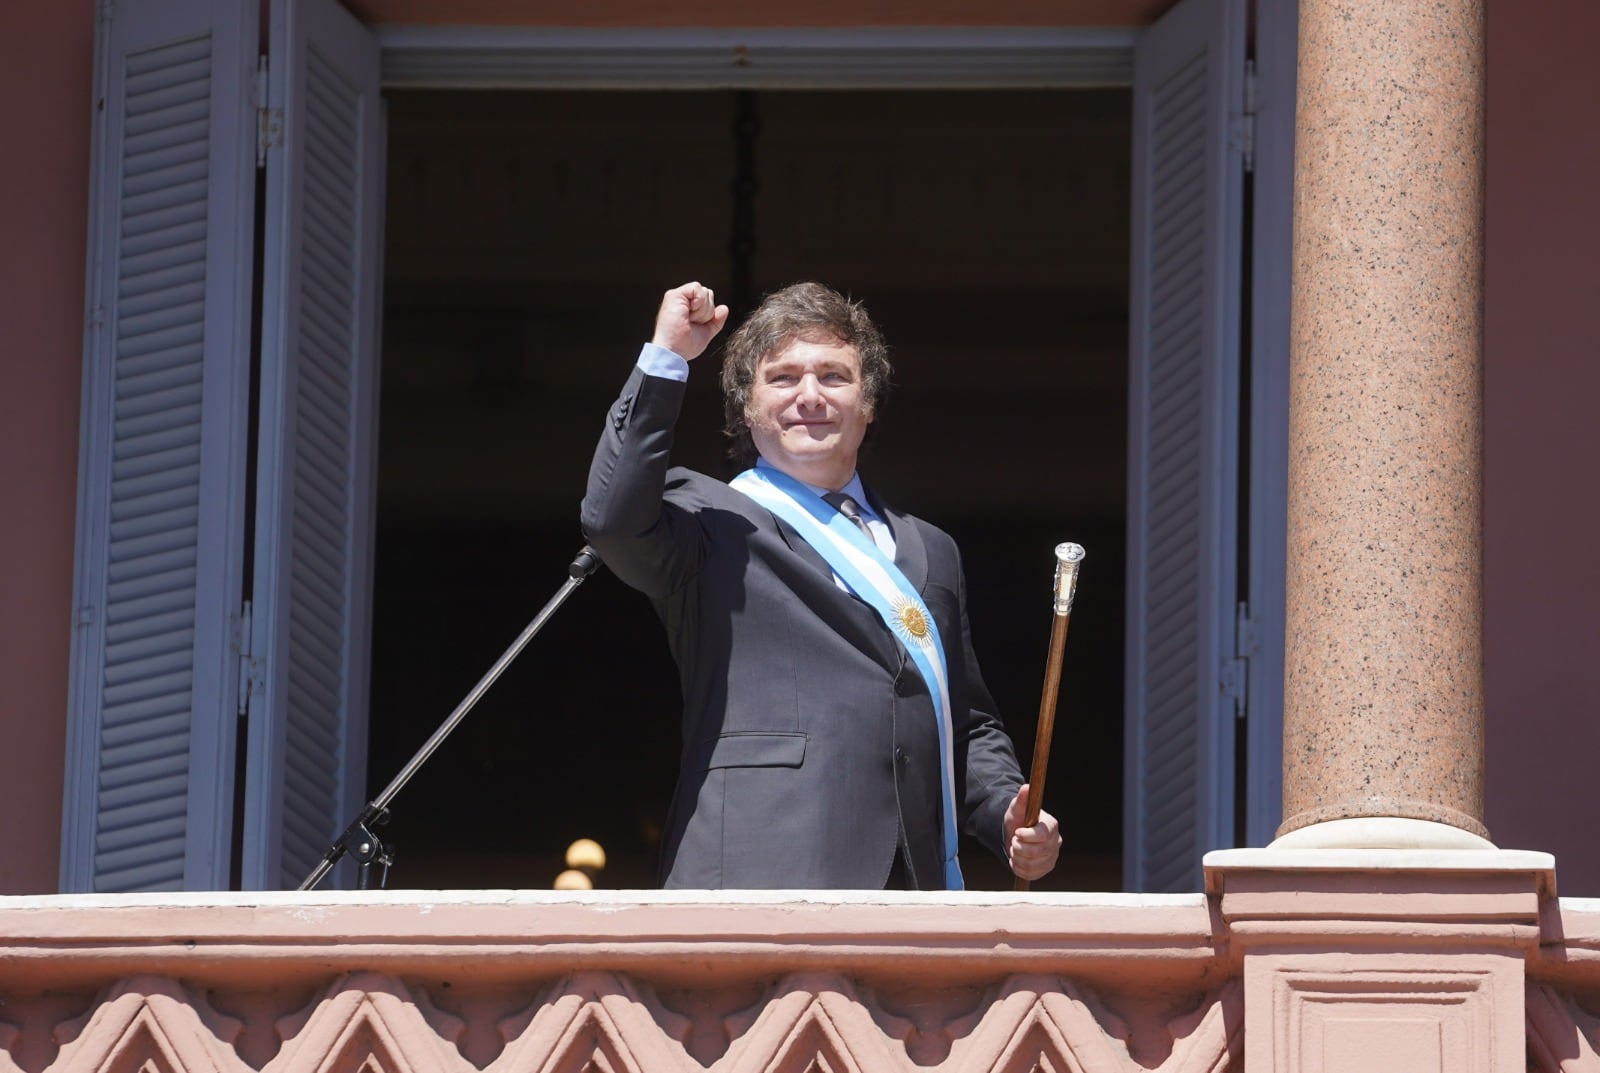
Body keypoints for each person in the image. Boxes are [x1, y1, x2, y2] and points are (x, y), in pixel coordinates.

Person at [581, 280, 1061, 889]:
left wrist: (1006, 815)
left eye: (834, 376)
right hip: (759, 872)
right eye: (782, 378)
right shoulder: (707, 520)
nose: (809, 396)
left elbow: (962, 720)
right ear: (747, 406)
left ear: (869, 402)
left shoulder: (930, 548)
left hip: (910, 888)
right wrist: (666, 357)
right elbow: (612, 519)